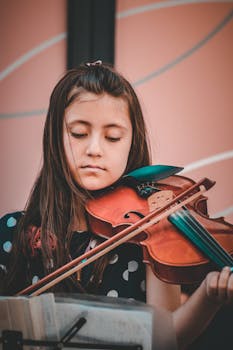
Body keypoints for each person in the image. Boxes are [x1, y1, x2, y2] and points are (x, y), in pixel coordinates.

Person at [0, 61, 232, 349]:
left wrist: (208, 297)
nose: (95, 149)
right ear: (54, 138)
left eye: (113, 137)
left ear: (131, 143)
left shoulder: (152, 235)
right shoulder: (12, 233)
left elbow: (166, 340)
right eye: (79, 133)